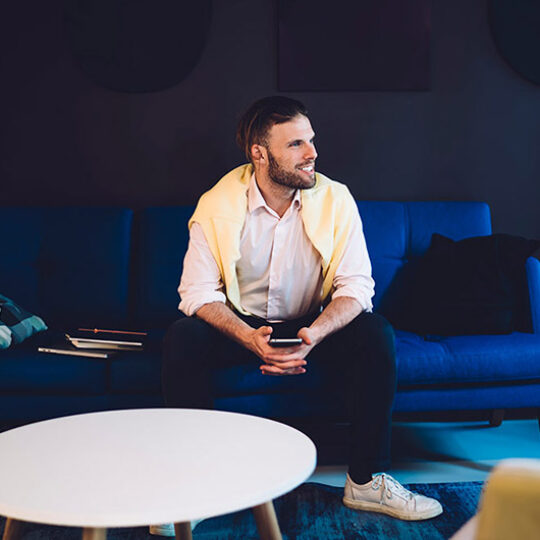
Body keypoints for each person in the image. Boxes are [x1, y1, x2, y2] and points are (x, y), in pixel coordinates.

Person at [153, 96, 442, 536]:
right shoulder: (217, 204)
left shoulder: (336, 199)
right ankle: (195, 487)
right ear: (259, 153)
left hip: (312, 323)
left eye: (311, 140)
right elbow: (196, 292)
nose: (312, 153)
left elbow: (357, 287)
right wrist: (249, 339)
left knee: (375, 332)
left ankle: (367, 481)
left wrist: (316, 334)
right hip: (243, 325)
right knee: (183, 337)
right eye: (296, 144)